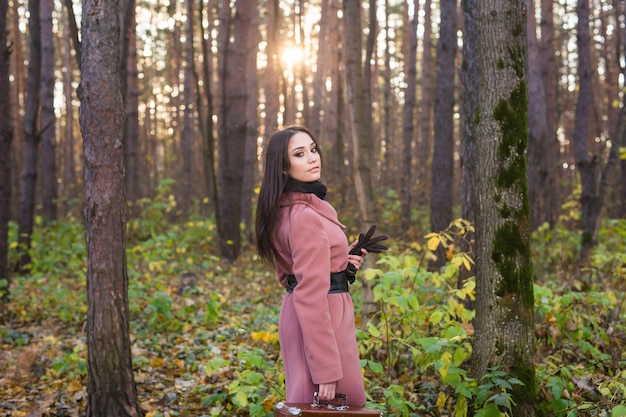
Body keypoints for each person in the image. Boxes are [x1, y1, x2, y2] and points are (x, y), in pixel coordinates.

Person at [255, 126, 367, 406]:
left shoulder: (285, 209)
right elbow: (309, 293)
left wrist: (343, 264)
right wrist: (326, 368)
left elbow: (291, 274)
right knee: (323, 405)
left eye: (313, 149)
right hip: (322, 319)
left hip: (312, 314)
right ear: (282, 167)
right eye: (300, 154)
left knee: (310, 404)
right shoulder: (305, 217)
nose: (312, 158)